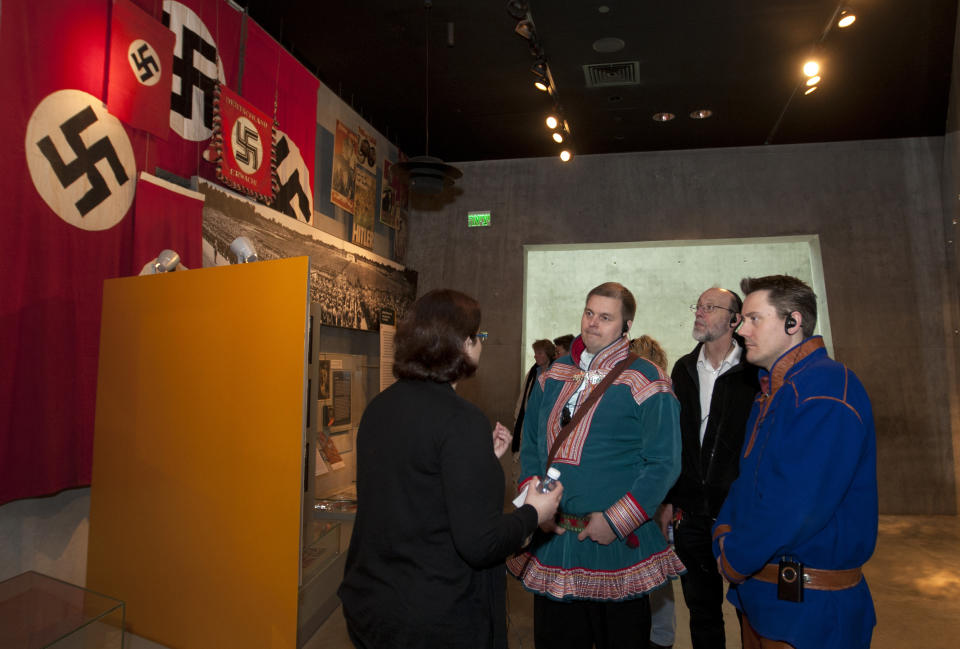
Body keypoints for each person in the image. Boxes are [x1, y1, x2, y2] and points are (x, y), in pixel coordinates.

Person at [338, 289, 563, 649]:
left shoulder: (381, 406)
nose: (481, 344)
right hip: (432, 615)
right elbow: (479, 542)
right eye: (479, 336)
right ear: (463, 344)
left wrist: (479, 460)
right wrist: (534, 513)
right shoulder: (460, 420)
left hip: (374, 603)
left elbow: (418, 488)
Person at [507, 282, 684, 649]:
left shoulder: (648, 380)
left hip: (614, 543)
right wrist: (536, 503)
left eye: (606, 317)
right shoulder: (553, 372)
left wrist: (617, 520)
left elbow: (664, 463)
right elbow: (534, 444)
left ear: (626, 326)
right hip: (554, 539)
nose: (593, 323)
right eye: (589, 313)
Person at [712, 275, 878, 649]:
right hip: (763, 597)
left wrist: (735, 556)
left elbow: (798, 506)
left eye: (754, 319)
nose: (741, 331)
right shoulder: (775, 389)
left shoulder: (825, 389)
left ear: (793, 322)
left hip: (807, 609)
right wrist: (723, 531)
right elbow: (746, 481)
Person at [660, 287, 759, 649]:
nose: (699, 313)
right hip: (692, 513)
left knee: (749, 609)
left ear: (735, 320)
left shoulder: (753, 372)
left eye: (710, 307)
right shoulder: (683, 369)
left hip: (739, 513)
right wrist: (670, 499)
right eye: (698, 307)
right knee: (702, 611)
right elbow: (677, 438)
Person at [630, 335, 677, 649]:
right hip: (645, 501)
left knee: (653, 577)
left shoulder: (662, 397)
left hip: (649, 502)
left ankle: (659, 637)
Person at [513, 339, 557, 453]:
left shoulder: (555, 374)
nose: (535, 356)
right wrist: (518, 415)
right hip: (530, 418)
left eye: (539, 353)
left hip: (545, 421)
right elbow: (523, 396)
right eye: (535, 353)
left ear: (548, 355)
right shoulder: (533, 373)